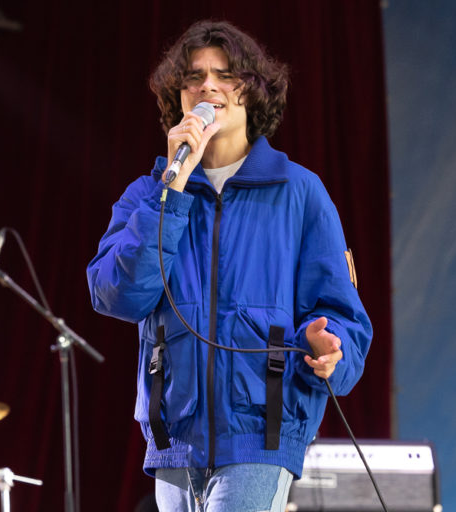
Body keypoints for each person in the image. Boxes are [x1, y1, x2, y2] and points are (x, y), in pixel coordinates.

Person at [87, 20, 372, 512]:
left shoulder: (299, 192)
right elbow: (117, 294)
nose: (208, 86)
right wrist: (172, 190)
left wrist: (332, 350)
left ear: (251, 92)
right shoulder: (150, 193)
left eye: (225, 75)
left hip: (262, 436)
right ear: (178, 97)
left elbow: (344, 317)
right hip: (174, 442)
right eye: (193, 77)